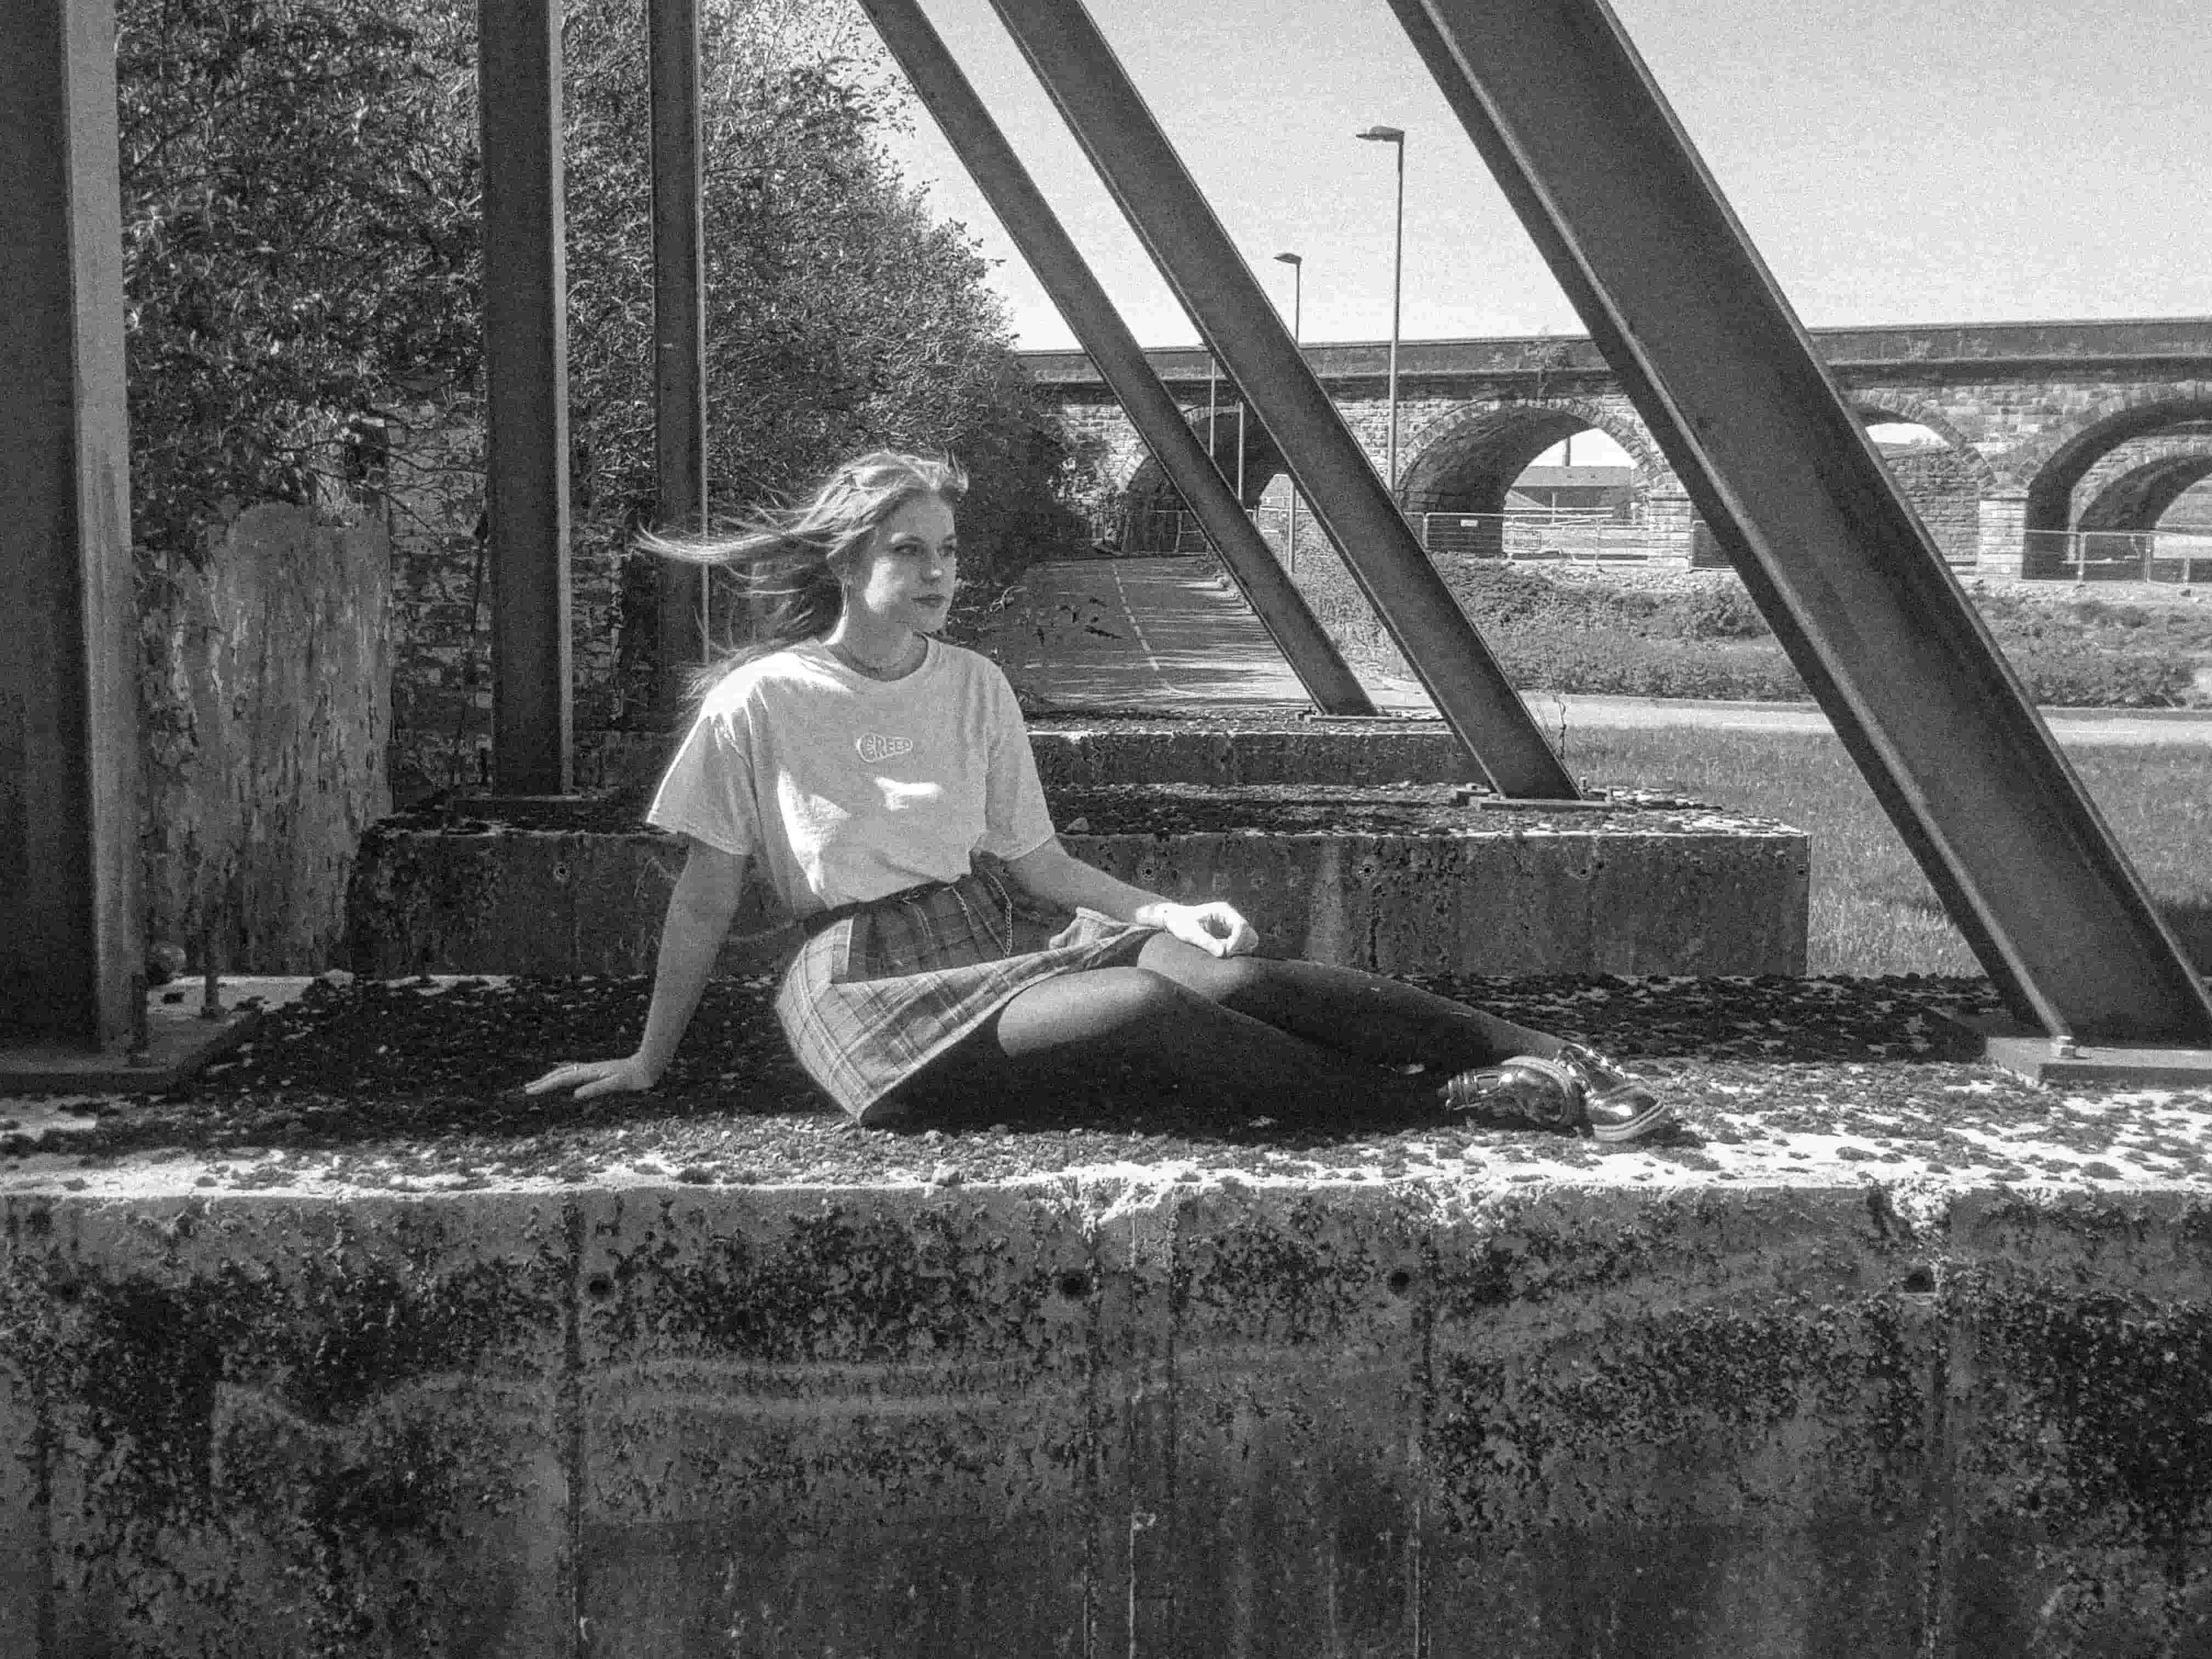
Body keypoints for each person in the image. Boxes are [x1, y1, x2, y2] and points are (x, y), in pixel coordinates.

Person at [526, 451, 1670, 1141]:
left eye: (948, 550)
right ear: (846, 561)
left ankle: (1561, 1056)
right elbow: (705, 895)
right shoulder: (760, 701)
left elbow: (1037, 866)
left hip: (998, 929)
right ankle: (1449, 1102)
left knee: (1230, 975)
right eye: (909, 551)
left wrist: (1166, 912)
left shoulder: (973, 684)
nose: (939, 572)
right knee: (1146, 1010)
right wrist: (649, 1061)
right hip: (868, 985)